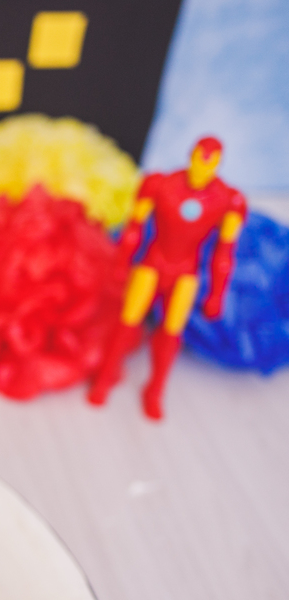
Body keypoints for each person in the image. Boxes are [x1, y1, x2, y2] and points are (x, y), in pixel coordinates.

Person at [87, 136, 246, 420]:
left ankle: (156, 389)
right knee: (127, 321)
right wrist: (122, 262)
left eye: (210, 163)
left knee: (172, 332)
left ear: (217, 164)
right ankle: (106, 375)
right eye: (199, 159)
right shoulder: (160, 184)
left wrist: (217, 293)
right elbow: (134, 227)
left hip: (186, 272)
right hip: (153, 263)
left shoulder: (229, 200)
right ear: (191, 156)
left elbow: (225, 251)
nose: (202, 168)